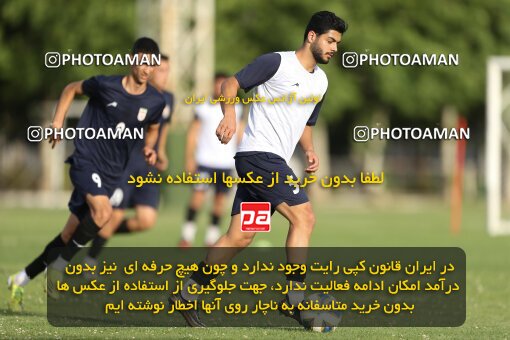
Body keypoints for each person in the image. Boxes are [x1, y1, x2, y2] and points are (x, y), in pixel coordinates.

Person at [169, 11, 347, 327]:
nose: (334, 47)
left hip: (265, 162)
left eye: (337, 43)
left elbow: (307, 122)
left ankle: (187, 294)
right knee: (304, 217)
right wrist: (229, 115)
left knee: (240, 236)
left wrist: (309, 150)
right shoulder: (276, 63)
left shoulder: (321, 81)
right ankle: (294, 300)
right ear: (311, 36)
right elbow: (230, 83)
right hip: (260, 157)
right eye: (330, 40)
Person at [7, 37, 165, 311]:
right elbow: (71, 89)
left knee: (69, 234)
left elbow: (152, 127)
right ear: (132, 60)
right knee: (103, 214)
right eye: (142, 60)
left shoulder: (155, 101)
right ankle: (58, 268)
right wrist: (57, 122)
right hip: (85, 160)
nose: (146, 67)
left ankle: (19, 279)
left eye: (151, 63)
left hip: (112, 172)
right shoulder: (106, 86)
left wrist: (150, 149)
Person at [84, 54, 175, 264]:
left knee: (147, 220)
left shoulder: (169, 98)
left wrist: (160, 151)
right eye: (160, 70)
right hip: (126, 164)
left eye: (167, 70)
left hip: (149, 167)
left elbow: (165, 126)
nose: (164, 75)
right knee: (115, 214)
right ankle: (90, 262)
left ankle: (96, 232)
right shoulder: (135, 95)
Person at [179, 72, 243, 248]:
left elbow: (241, 134)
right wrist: (189, 158)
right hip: (205, 161)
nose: (220, 88)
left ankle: (211, 238)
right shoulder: (203, 107)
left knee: (219, 201)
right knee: (197, 198)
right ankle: (187, 236)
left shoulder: (236, 108)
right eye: (218, 84)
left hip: (226, 163)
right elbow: (193, 133)